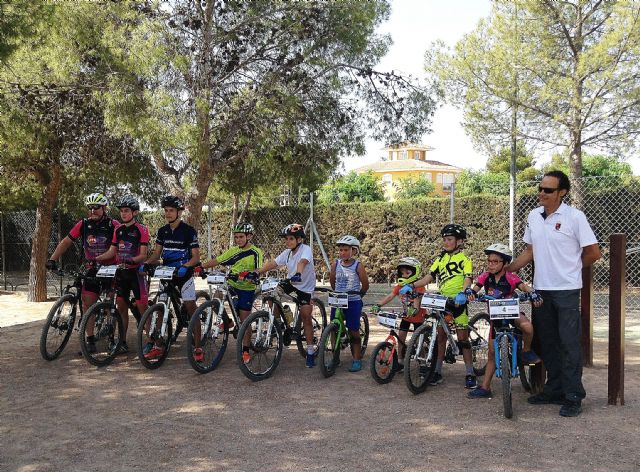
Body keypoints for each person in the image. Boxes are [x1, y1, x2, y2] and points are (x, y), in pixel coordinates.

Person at [508, 170, 601, 417]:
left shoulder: (575, 217)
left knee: (569, 344)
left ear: (562, 193)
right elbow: (530, 251)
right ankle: (555, 389)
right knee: (547, 342)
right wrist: (508, 270)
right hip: (541, 291)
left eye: (548, 190)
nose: (542, 193)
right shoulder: (533, 216)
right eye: (540, 188)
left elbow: (594, 253)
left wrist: (571, 268)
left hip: (567, 291)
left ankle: (573, 396)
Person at [401, 224, 475, 388]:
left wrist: (463, 292)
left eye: (449, 239)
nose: (446, 242)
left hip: (458, 301)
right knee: (440, 337)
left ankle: (470, 373)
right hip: (443, 301)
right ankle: (437, 371)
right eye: (444, 239)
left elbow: (468, 278)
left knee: (463, 339)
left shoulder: (465, 259)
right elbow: (428, 277)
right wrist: (411, 285)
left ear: (459, 241)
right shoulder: (440, 259)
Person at [466, 243, 543, 399]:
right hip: (496, 317)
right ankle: (485, 387)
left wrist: (533, 293)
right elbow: (475, 288)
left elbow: (524, 287)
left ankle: (526, 351)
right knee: (492, 353)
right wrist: (469, 292)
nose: (491, 264)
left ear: (505, 263)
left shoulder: (510, 277)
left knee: (527, 327)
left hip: (512, 313)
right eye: (489, 261)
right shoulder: (485, 277)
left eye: (495, 261)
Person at [46, 193, 120, 353]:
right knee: (87, 303)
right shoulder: (83, 224)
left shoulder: (113, 224)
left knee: (110, 304)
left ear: (104, 208)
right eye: (90, 207)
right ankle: (90, 340)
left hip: (110, 268)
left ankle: (111, 339)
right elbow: (66, 242)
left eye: (96, 207)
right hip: (91, 268)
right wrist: (52, 259)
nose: (93, 210)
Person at [251, 223, 318, 368]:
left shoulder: (306, 250)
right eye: (286, 239)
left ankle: (310, 351)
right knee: (271, 294)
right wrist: (258, 272)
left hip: (305, 287)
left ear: (299, 239)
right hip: (292, 281)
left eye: (291, 239)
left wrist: (298, 273)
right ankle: (278, 322)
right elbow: (273, 263)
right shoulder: (287, 253)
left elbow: (302, 262)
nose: (287, 241)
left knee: (306, 316)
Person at [142, 195, 200, 360]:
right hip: (167, 274)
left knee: (191, 308)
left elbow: (195, 257)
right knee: (161, 308)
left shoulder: (188, 231)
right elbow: (156, 254)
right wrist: (146, 263)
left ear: (179, 212)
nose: (168, 213)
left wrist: (185, 267)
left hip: (183, 274)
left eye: (171, 210)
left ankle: (198, 346)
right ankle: (158, 345)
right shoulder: (162, 231)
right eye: (166, 210)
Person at [201, 222, 263, 364]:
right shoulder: (234, 250)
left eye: (241, 237)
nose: (238, 240)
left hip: (247, 288)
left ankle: (245, 349)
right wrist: (201, 266)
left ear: (249, 236)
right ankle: (227, 322)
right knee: (216, 297)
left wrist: (250, 274)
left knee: (244, 321)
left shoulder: (256, 252)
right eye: (236, 237)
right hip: (232, 284)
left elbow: (259, 269)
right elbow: (218, 260)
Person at [95, 195, 149, 354]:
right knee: (121, 308)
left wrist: (130, 260)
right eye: (121, 211)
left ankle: (152, 341)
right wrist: (97, 259)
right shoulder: (118, 230)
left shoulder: (141, 230)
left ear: (135, 212)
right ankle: (122, 342)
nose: (123, 214)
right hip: (121, 274)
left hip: (136, 274)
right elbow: (112, 251)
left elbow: (143, 255)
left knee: (142, 309)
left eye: (126, 211)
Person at [371, 257, 425, 372]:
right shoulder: (400, 286)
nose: (404, 275)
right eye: (402, 273)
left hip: (418, 318)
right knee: (401, 338)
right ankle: (400, 361)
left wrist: (415, 309)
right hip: (406, 317)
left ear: (415, 272)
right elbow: (391, 296)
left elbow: (417, 300)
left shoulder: (419, 286)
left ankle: (423, 362)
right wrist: (379, 305)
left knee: (418, 341)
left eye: (407, 273)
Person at [328, 235, 369, 372]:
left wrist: (359, 294)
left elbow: (365, 284)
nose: (342, 253)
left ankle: (356, 359)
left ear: (354, 251)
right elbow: (332, 280)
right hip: (338, 300)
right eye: (341, 250)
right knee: (333, 328)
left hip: (353, 301)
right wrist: (337, 292)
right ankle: (335, 358)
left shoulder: (358, 266)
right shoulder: (335, 264)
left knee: (353, 330)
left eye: (346, 250)